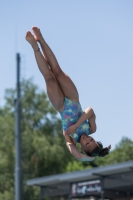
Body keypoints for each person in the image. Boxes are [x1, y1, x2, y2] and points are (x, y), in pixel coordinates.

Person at [25, 27, 111, 162]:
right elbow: (90, 110)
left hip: (61, 106)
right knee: (57, 71)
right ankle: (40, 39)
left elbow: (77, 155)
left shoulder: (71, 140)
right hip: (73, 99)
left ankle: (34, 46)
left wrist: (89, 159)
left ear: (83, 149)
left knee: (49, 78)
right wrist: (76, 126)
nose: (88, 139)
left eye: (88, 144)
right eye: (92, 140)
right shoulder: (91, 129)